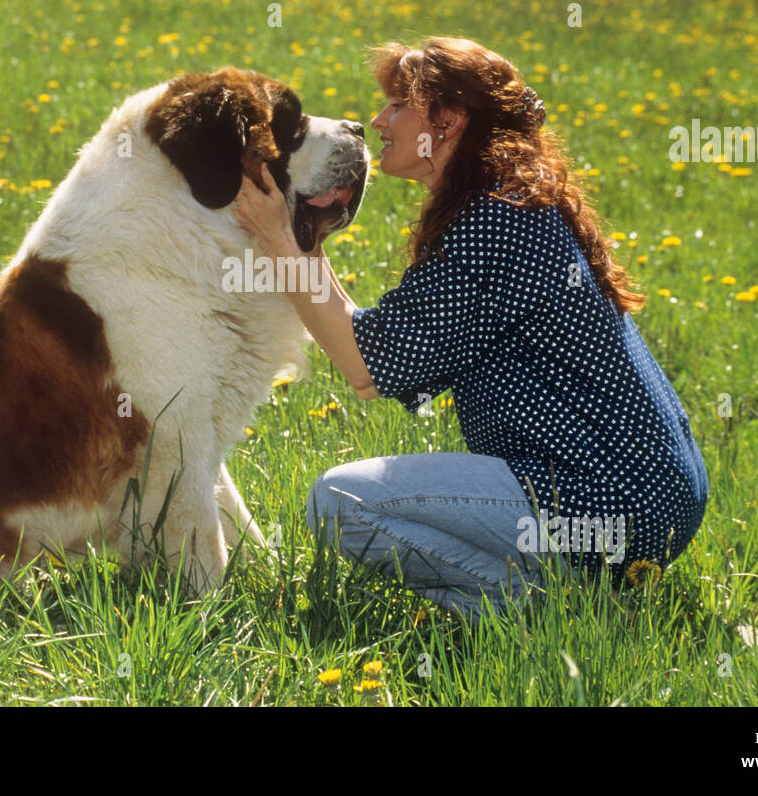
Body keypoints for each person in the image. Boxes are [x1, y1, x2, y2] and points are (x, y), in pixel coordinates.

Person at [233, 36, 708, 620]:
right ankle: (564, 597)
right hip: (650, 493)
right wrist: (303, 227)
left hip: (607, 499)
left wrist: (281, 237)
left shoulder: (495, 223)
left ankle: (559, 612)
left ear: (449, 121)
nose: (379, 120)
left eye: (400, 105)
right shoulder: (510, 204)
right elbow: (378, 352)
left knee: (340, 502)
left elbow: (364, 369)